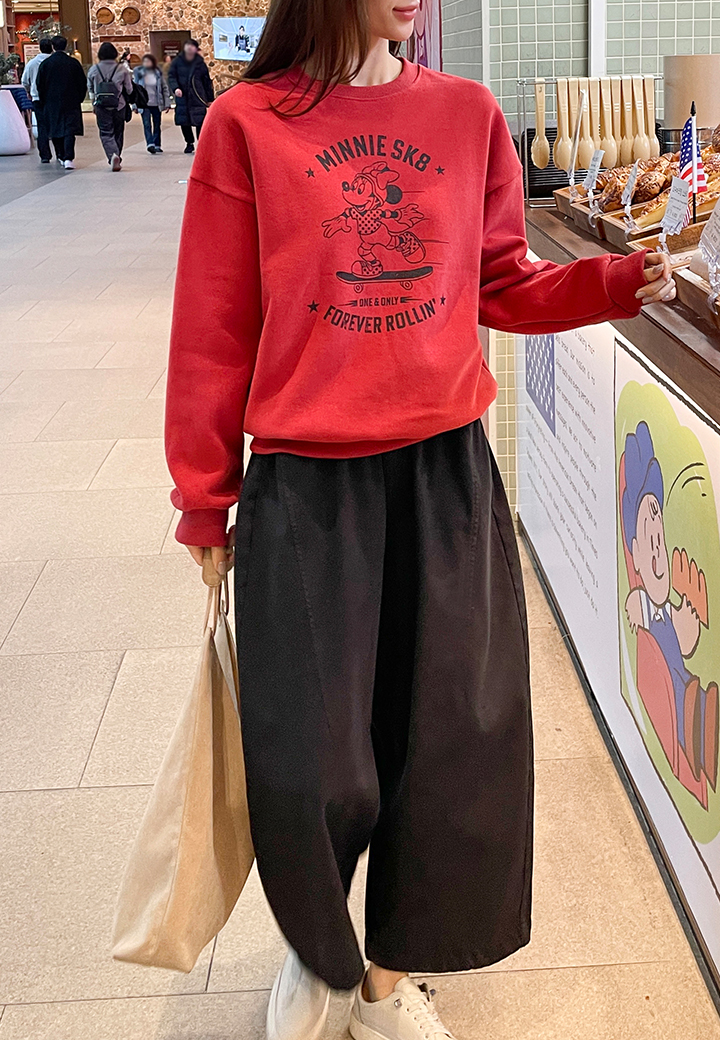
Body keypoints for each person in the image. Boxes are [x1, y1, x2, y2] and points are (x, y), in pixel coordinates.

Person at [164, 2, 677, 1039]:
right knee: (311, 756)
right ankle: (318, 951)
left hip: (445, 475)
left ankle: (387, 979)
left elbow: (498, 282)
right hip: (307, 484)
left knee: (451, 742)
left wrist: (620, 279)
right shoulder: (247, 124)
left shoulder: (466, 114)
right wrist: (204, 498)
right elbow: (215, 323)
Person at [35, 36, 86, 171]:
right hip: (71, 101)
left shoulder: (46, 64)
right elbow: (82, 83)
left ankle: (60, 154)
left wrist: (44, 100)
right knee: (69, 130)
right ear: (66, 46)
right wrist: (79, 98)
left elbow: (40, 85)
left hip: (51, 102)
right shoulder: (73, 63)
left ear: (53, 47)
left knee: (55, 129)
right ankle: (69, 157)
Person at [87, 42, 133, 171]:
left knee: (106, 132)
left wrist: (93, 102)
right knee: (118, 131)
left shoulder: (94, 69)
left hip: (101, 105)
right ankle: (117, 154)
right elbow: (129, 89)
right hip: (119, 105)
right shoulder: (122, 69)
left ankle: (112, 155)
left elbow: (90, 88)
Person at [167, 39, 214, 153]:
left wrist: (209, 99)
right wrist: (175, 88)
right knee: (184, 121)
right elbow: (171, 76)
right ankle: (189, 143)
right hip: (183, 97)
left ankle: (201, 143)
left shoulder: (200, 64)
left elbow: (207, 82)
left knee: (200, 121)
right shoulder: (177, 62)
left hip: (198, 96)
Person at [21, 38, 54, 164]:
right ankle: (61, 153)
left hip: (37, 98)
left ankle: (45, 155)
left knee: (42, 126)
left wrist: (29, 91)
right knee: (56, 124)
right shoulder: (54, 62)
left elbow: (24, 80)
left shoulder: (32, 63)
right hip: (53, 99)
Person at [132, 53, 171, 153]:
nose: (146, 63)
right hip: (144, 104)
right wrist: (134, 105)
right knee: (147, 124)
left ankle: (157, 144)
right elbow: (135, 90)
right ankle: (150, 143)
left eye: (148, 61)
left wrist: (167, 103)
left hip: (156, 103)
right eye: (145, 61)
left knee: (157, 124)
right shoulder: (139, 74)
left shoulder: (158, 74)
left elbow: (164, 88)